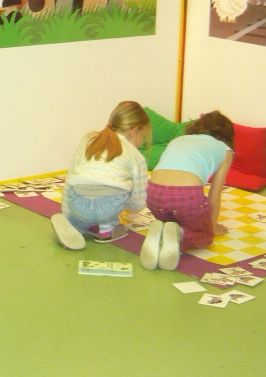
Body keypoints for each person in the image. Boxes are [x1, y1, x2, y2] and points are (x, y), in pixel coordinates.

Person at [140, 110, 235, 271]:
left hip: (154, 195)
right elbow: (214, 196)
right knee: (204, 235)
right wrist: (212, 226)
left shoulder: (178, 140)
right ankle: (179, 236)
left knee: (172, 222)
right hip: (186, 198)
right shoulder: (225, 150)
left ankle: (163, 233)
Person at [51, 101, 151, 251]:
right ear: (134, 131)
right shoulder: (136, 156)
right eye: (143, 137)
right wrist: (131, 209)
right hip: (109, 208)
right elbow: (138, 202)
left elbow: (70, 178)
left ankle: (73, 225)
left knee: (85, 193)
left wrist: (66, 212)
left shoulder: (88, 140)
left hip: (78, 203)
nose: (141, 142)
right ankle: (107, 230)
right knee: (120, 188)